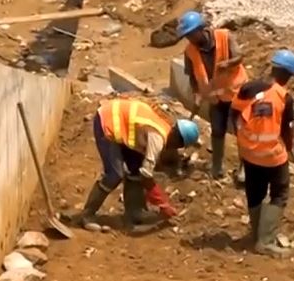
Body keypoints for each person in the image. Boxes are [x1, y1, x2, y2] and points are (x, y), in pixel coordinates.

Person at [77, 96, 201, 231]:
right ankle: (87, 215)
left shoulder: (164, 127)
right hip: (107, 121)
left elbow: (142, 171)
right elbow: (146, 176)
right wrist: (163, 203)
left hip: (120, 121)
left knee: (135, 168)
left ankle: (134, 213)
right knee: (114, 174)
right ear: (178, 142)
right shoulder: (157, 138)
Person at [230, 49, 294, 257]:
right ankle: (266, 241)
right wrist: (287, 146)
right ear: (287, 75)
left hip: (249, 153)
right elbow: (287, 130)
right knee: (279, 193)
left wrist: (243, 139)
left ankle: (256, 234)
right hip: (273, 156)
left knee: (255, 191)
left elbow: (234, 114)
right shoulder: (284, 98)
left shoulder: (248, 88)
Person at [175, 10, 248, 181]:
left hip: (236, 94)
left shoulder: (225, 36)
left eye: (191, 34)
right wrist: (196, 93)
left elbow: (239, 56)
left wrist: (227, 64)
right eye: (187, 36)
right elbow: (193, 76)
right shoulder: (190, 51)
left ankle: (244, 168)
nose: (190, 39)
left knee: (241, 132)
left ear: (201, 29)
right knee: (217, 131)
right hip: (215, 98)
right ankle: (217, 166)